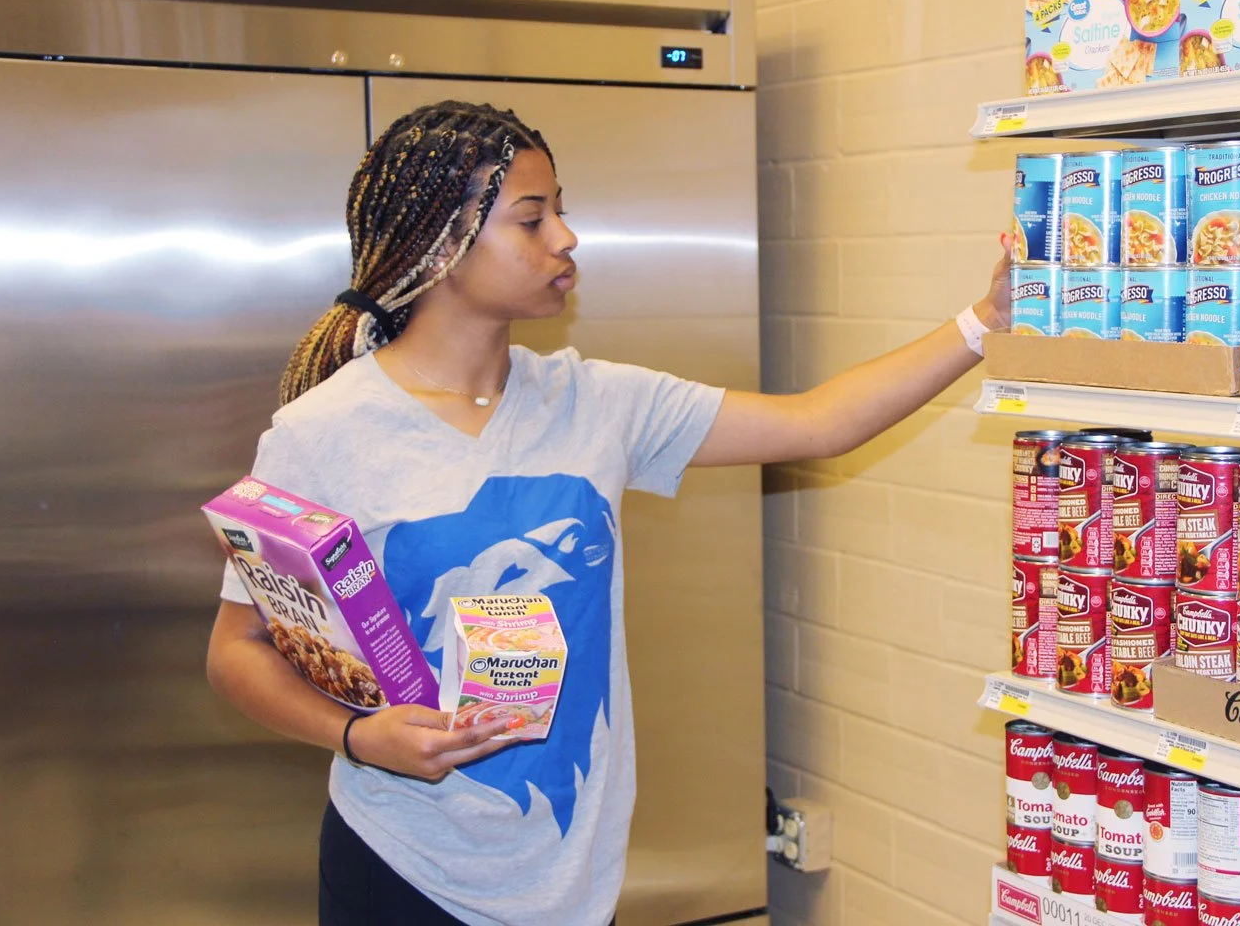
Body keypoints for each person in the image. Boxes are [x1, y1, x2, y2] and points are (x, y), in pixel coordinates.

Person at [205, 101, 1011, 926]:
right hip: (406, 870)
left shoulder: (596, 401)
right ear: (442, 247)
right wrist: (358, 737)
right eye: (532, 217)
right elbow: (237, 652)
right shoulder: (322, 434)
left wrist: (984, 323)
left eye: (562, 209)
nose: (566, 238)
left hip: (574, 877)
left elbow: (820, 422)